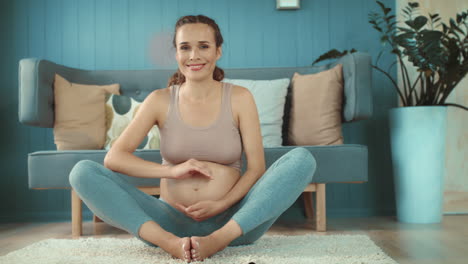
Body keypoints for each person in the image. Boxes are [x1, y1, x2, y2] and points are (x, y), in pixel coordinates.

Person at [69, 15, 316, 263]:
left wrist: (223, 204)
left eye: (204, 46)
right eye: (185, 47)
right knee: (82, 172)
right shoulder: (159, 100)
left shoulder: (240, 98)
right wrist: (173, 171)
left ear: (218, 51)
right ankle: (171, 245)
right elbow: (115, 158)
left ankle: (217, 241)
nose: (194, 55)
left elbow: (256, 169)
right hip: (166, 223)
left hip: (234, 221)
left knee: (302, 159)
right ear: (175, 53)